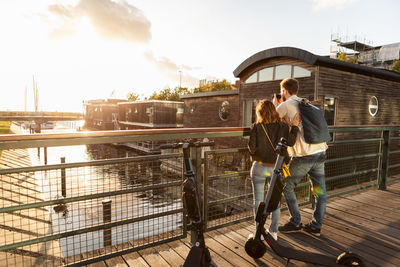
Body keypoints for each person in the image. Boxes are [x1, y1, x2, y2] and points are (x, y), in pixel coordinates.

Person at [273, 78, 328, 236]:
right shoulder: (307, 103)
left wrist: (276, 106)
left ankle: (295, 221)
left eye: (281, 91)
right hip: (320, 153)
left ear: (284, 91)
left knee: (286, 185)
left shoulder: (286, 105)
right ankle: (316, 226)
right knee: (320, 191)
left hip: (304, 156)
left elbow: (269, 121)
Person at [248, 99, 300, 241]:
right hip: (276, 168)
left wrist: (259, 157)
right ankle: (273, 232)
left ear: (259, 113)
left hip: (259, 168)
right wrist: (294, 126)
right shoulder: (283, 126)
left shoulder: (255, 127)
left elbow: (252, 148)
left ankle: (259, 232)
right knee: (274, 201)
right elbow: (290, 142)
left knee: (258, 200)